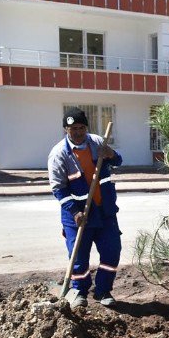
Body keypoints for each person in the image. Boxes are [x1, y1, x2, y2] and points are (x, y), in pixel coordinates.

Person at [47, 108, 122, 309]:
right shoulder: (59, 154)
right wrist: (74, 212)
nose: (78, 132)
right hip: (77, 215)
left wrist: (111, 154)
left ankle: (103, 291)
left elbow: (119, 161)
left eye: (81, 128)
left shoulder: (97, 143)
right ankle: (79, 291)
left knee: (112, 251)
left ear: (86, 127)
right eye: (73, 129)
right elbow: (58, 189)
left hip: (104, 210)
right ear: (66, 130)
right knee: (78, 257)